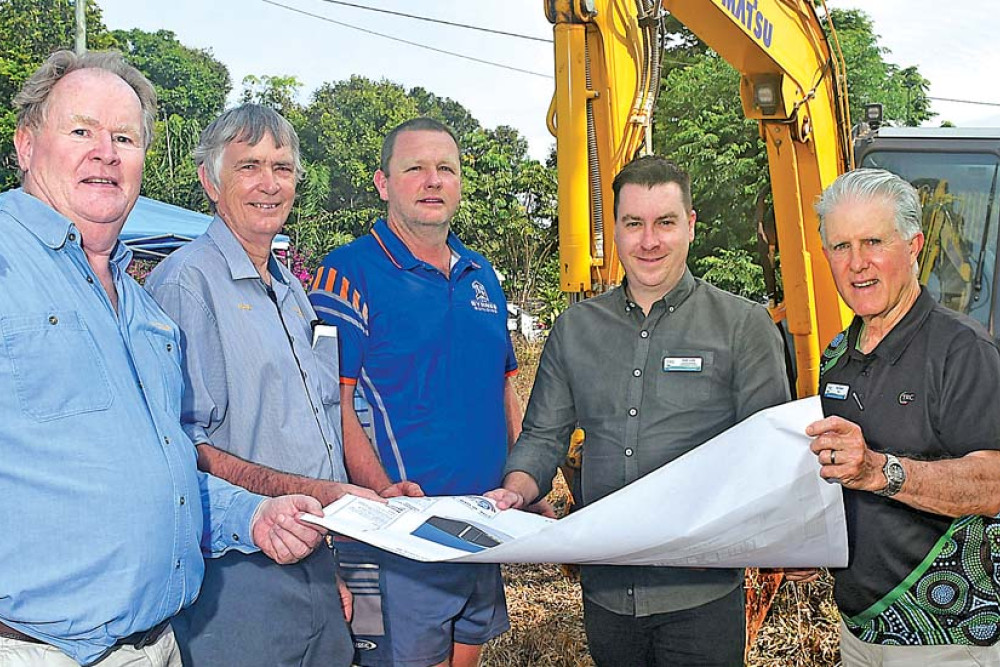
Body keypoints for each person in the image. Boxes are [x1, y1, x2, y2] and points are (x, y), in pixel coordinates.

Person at [0, 51, 327, 667]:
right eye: (81, 131)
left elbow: (165, 478)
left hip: (157, 645)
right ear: (25, 144)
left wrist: (253, 514)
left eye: (124, 137)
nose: (106, 152)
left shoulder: (144, 314)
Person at [486, 155, 790, 666]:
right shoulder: (575, 329)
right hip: (606, 595)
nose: (649, 241)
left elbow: (772, 455)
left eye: (665, 223)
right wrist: (513, 492)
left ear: (690, 226)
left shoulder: (743, 327)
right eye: (634, 224)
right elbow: (542, 437)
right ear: (617, 232)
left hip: (702, 596)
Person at [145, 104, 382, 667]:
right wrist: (323, 496)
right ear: (210, 179)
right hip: (236, 573)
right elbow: (185, 452)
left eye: (283, 167)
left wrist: (329, 564)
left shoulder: (289, 287)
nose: (270, 184)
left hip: (312, 560)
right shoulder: (187, 283)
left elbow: (321, 417)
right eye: (249, 165)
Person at [308, 117, 520, 667]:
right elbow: (332, 404)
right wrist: (383, 500)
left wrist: (528, 485)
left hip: (479, 530)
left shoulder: (483, 276)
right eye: (415, 168)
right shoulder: (346, 272)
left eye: (445, 169)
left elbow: (504, 389)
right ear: (383, 183)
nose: (432, 180)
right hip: (398, 542)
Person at [796, 168, 1000, 666]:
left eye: (873, 242)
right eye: (840, 247)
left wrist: (878, 471)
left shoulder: (962, 350)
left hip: (946, 640)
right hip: (859, 630)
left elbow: (994, 483)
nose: (857, 263)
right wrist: (803, 544)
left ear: (913, 246)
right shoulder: (836, 355)